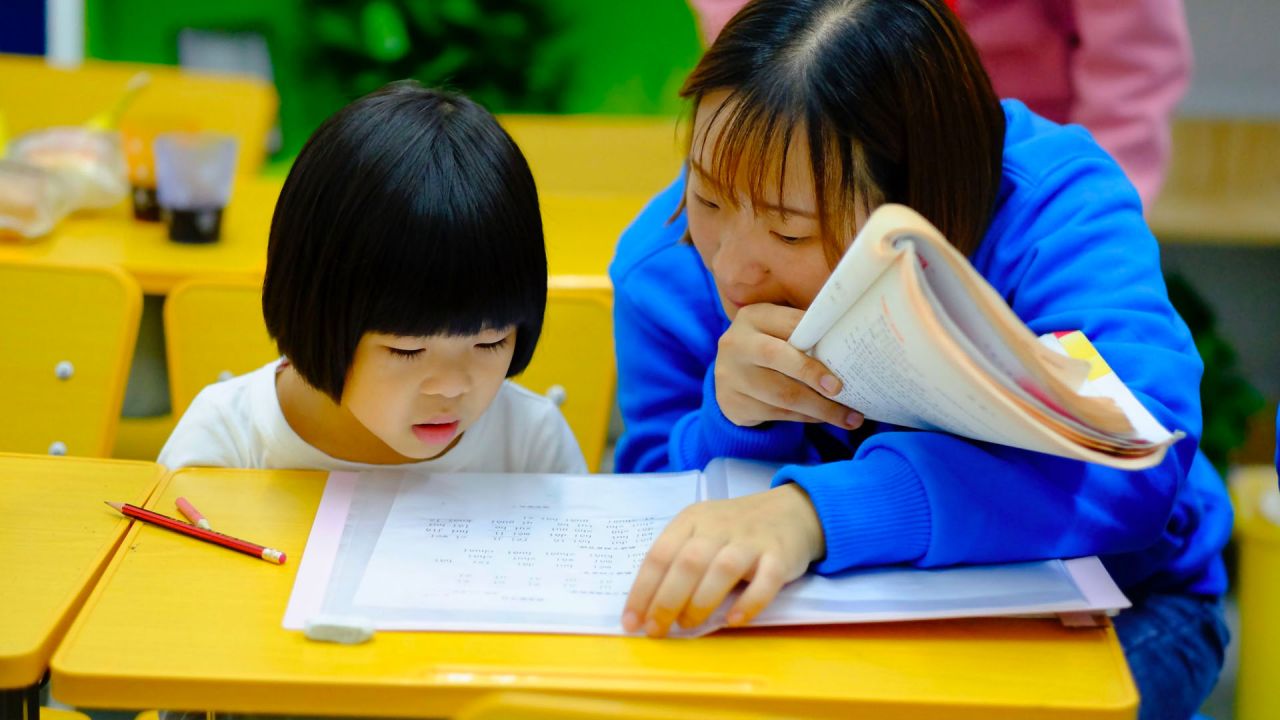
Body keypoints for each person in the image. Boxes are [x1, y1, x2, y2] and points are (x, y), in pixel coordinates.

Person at [610, 2, 1229, 718]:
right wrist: (735, 424)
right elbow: (649, 508)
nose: (736, 270)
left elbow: (1133, 464)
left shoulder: (1054, 209)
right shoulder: (664, 266)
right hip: (810, 632)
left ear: (922, 202)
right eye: (708, 196)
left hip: (1122, 609)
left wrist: (814, 514)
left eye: (789, 231)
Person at [159, 81, 586, 476]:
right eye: (407, 349)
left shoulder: (532, 444)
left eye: (491, 342)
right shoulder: (228, 442)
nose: (452, 386)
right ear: (314, 312)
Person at [688, 0, 1192, 209]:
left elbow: (1133, 65)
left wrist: (1092, 207)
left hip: (1024, 176)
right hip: (824, 155)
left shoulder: (1052, 204)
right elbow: (753, 36)